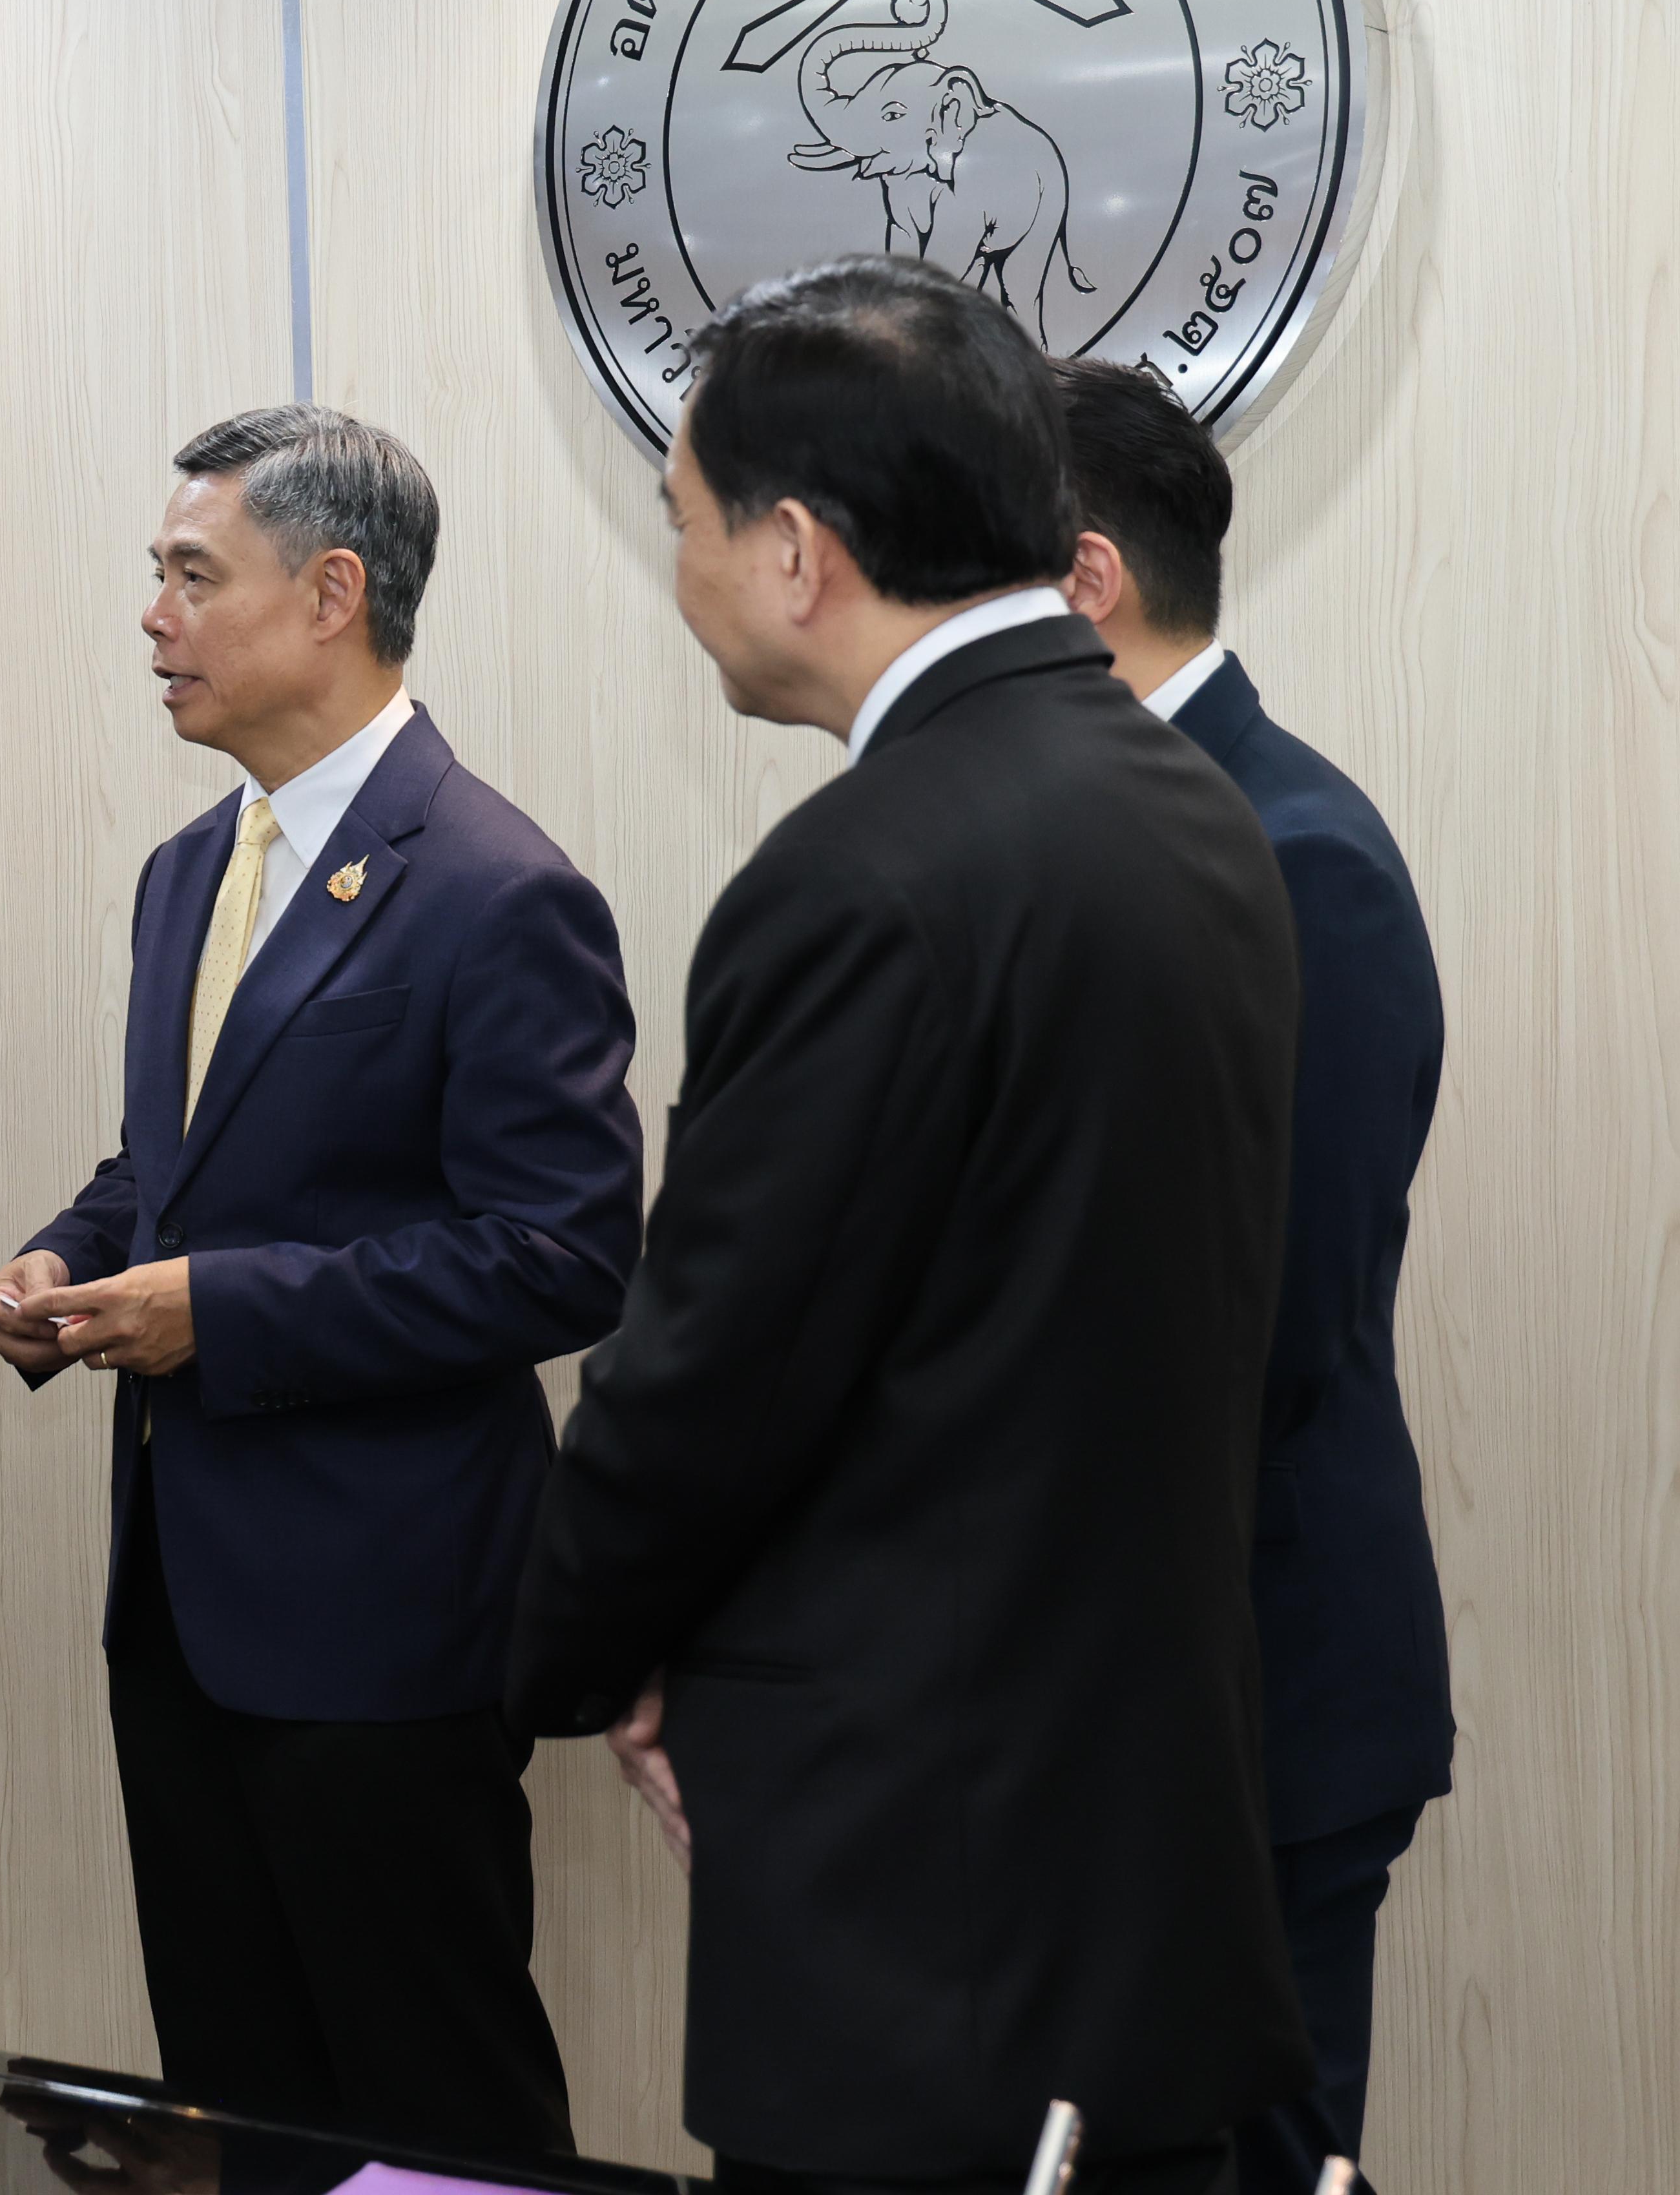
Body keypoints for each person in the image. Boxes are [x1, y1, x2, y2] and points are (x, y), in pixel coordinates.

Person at [506, 257, 1314, 2194]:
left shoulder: (865, 875)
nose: (682, 574)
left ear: (796, 551)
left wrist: (575, 1649)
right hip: (1125, 1862)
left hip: (922, 1896)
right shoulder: (1194, 810)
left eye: (684, 523)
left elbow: (716, 1365)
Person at [0, 405, 643, 2160]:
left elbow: (565, 1255)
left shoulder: (498, 887)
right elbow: (178, 1163)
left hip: (383, 1626)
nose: (154, 617)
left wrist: (225, 1309)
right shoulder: (189, 869)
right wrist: (74, 1256)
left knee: (437, 2115)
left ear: (334, 592)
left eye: (194, 576)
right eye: (158, 576)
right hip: (179, 1611)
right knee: (236, 2106)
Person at [1052, 357, 1454, 2195]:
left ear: (1084, 580)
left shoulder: (1293, 857)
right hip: (1100, 1709)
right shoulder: (1092, 835)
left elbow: (1269, 1321)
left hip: (1252, 1700)